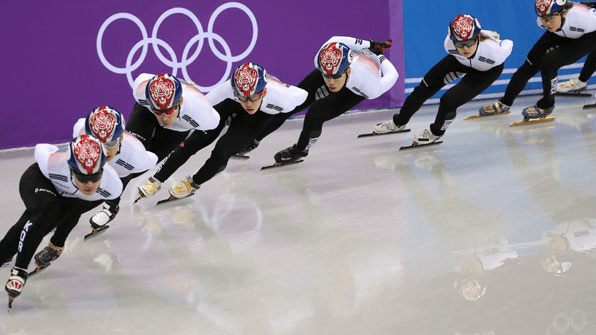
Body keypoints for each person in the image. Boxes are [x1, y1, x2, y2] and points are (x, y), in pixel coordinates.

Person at [136, 62, 308, 200]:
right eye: (242, 96)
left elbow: (303, 95)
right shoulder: (228, 89)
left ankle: (194, 182)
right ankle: (157, 179)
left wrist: (257, 137)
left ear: (263, 92)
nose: (248, 103)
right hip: (230, 104)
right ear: (235, 90)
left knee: (222, 151)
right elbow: (204, 104)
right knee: (195, 141)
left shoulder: (283, 98)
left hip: (260, 115)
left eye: (253, 97)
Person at [0, 135, 122, 303]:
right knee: (46, 211)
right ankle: (19, 271)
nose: (90, 184)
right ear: (71, 170)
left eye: (95, 177)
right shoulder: (52, 164)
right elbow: (41, 147)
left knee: (56, 215)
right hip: (41, 180)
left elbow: (74, 212)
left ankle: (7, 253)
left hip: (70, 195)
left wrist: (57, 240)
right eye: (83, 177)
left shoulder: (112, 186)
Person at [243, 36, 398, 164]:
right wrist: (370, 43)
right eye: (326, 75)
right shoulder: (321, 60)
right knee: (290, 103)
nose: (330, 81)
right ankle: (253, 140)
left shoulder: (370, 86)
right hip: (344, 66)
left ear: (347, 71)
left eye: (335, 77)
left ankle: (301, 149)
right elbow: (336, 39)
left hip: (355, 86)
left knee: (315, 114)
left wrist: (380, 56)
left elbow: (393, 75)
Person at [373, 14, 513, 144]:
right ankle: (399, 122)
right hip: (460, 62)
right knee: (424, 88)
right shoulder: (449, 45)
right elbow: (463, 47)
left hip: (486, 70)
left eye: (469, 42)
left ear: (477, 38)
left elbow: (509, 42)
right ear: (452, 40)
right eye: (459, 43)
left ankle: (436, 132)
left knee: (448, 101)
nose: (465, 48)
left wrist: (492, 37)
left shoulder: (495, 53)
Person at [480, 0, 596, 120]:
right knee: (530, 63)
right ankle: (505, 103)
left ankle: (547, 104)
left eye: (550, 18)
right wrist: (550, 19)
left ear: (564, 13)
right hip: (561, 32)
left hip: (591, 35)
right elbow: (549, 22)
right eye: (543, 18)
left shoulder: (585, 18)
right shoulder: (545, 22)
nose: (547, 23)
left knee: (549, 62)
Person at [68, 106, 157, 235]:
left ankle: (111, 206)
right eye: (99, 143)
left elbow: (150, 160)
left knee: (121, 172)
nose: (104, 150)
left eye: (109, 144)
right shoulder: (80, 131)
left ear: (120, 138)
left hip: (134, 159)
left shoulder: (136, 155)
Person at [126, 73, 220, 162]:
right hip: (148, 112)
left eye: (169, 111)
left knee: (144, 166)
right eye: (158, 112)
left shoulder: (201, 112)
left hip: (178, 129)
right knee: (131, 155)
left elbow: (215, 121)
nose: (164, 118)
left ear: (180, 101)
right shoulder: (140, 91)